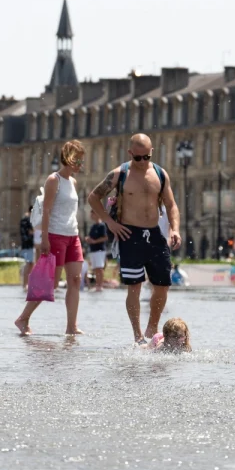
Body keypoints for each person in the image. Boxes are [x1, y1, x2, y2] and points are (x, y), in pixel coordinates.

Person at [88, 133, 182, 344]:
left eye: (146, 157)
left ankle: (152, 327)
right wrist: (109, 222)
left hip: (155, 234)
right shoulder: (119, 174)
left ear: (152, 152)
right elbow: (93, 197)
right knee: (134, 286)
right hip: (129, 234)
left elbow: (171, 205)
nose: (142, 162)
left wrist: (175, 229)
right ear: (130, 153)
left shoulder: (160, 174)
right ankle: (138, 335)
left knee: (163, 285)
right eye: (137, 157)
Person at [15, 141, 87, 336]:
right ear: (68, 159)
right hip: (56, 235)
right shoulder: (54, 180)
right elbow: (46, 210)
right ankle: (23, 318)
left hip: (73, 235)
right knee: (51, 283)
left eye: (82, 160)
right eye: (78, 160)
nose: (81, 164)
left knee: (75, 280)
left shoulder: (73, 182)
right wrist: (45, 238)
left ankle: (71, 326)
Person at [85, 212, 109, 292]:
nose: (91, 215)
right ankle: (97, 285)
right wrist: (88, 239)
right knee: (95, 268)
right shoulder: (93, 226)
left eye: (93, 213)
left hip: (99, 250)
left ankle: (100, 285)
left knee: (99, 268)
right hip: (93, 250)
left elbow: (105, 237)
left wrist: (95, 241)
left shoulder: (102, 226)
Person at [19, 212, 35, 290]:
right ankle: (25, 284)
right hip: (29, 245)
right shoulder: (27, 220)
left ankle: (26, 283)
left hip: (26, 245)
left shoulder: (24, 220)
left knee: (30, 264)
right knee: (29, 263)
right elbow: (31, 232)